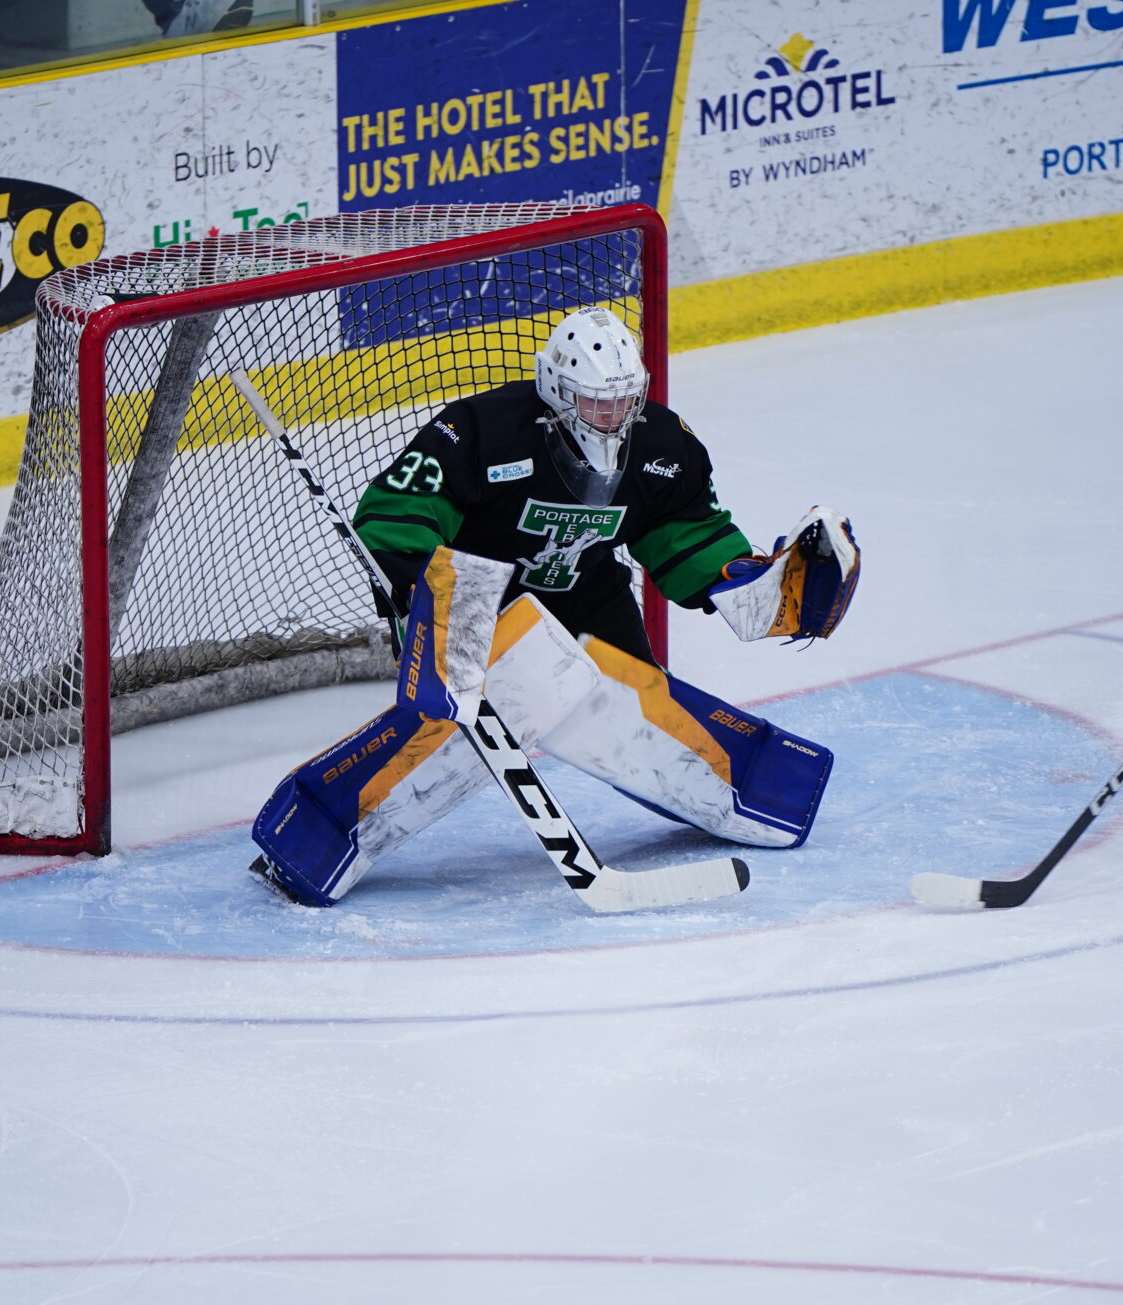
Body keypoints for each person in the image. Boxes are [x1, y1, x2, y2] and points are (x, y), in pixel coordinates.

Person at [249, 306, 859, 907]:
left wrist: (740, 580)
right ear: (557, 389)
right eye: (597, 402)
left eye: (626, 401)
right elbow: (398, 510)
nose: (614, 417)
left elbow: (686, 531)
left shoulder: (663, 445)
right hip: (481, 600)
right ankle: (314, 832)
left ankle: (756, 796)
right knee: (474, 723)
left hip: (590, 597)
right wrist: (421, 585)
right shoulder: (481, 428)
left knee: (635, 718)